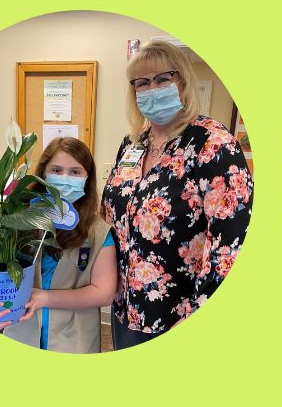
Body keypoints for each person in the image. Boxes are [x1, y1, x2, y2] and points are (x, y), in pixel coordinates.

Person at [98, 41, 253, 348]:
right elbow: (111, 216)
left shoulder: (213, 143)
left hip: (179, 313)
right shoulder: (132, 144)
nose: (151, 89)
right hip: (125, 306)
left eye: (162, 79)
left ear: (182, 81)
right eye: (141, 82)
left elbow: (231, 243)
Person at [0, 137, 114, 353]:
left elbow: (104, 292)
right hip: (20, 327)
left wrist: (44, 298)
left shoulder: (98, 231)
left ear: (88, 179)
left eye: (75, 172)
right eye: (57, 170)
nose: (65, 178)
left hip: (73, 337)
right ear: (43, 174)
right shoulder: (17, 219)